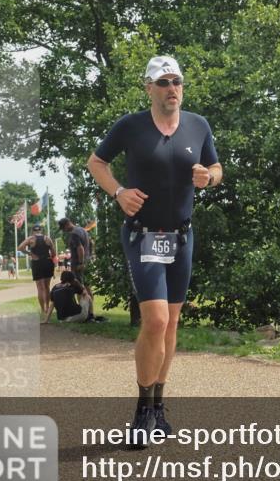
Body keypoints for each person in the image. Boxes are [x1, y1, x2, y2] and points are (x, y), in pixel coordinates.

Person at [87, 55, 222, 446]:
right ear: (149, 88)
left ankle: (160, 408)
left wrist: (208, 178)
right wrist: (118, 192)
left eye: (176, 81)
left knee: (173, 322)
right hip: (143, 235)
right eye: (163, 82)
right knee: (157, 321)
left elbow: (216, 168)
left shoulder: (198, 125)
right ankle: (142, 412)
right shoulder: (131, 126)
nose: (171, 88)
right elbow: (96, 162)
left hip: (182, 236)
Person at [19, 224, 57, 321]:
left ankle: (42, 309)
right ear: (41, 230)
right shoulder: (47, 239)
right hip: (47, 262)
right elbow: (54, 254)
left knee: (40, 287)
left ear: (33, 231)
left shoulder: (31, 239)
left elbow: (20, 247)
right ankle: (48, 307)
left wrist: (30, 253)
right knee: (47, 286)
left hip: (37, 263)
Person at [58, 217, 92, 287]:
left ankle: (81, 298)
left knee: (78, 287)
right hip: (87, 261)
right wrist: (89, 256)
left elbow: (80, 248)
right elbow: (91, 243)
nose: (64, 230)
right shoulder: (83, 230)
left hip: (78, 264)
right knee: (87, 286)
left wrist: (80, 263)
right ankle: (90, 298)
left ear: (67, 224)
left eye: (63, 228)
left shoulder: (74, 234)